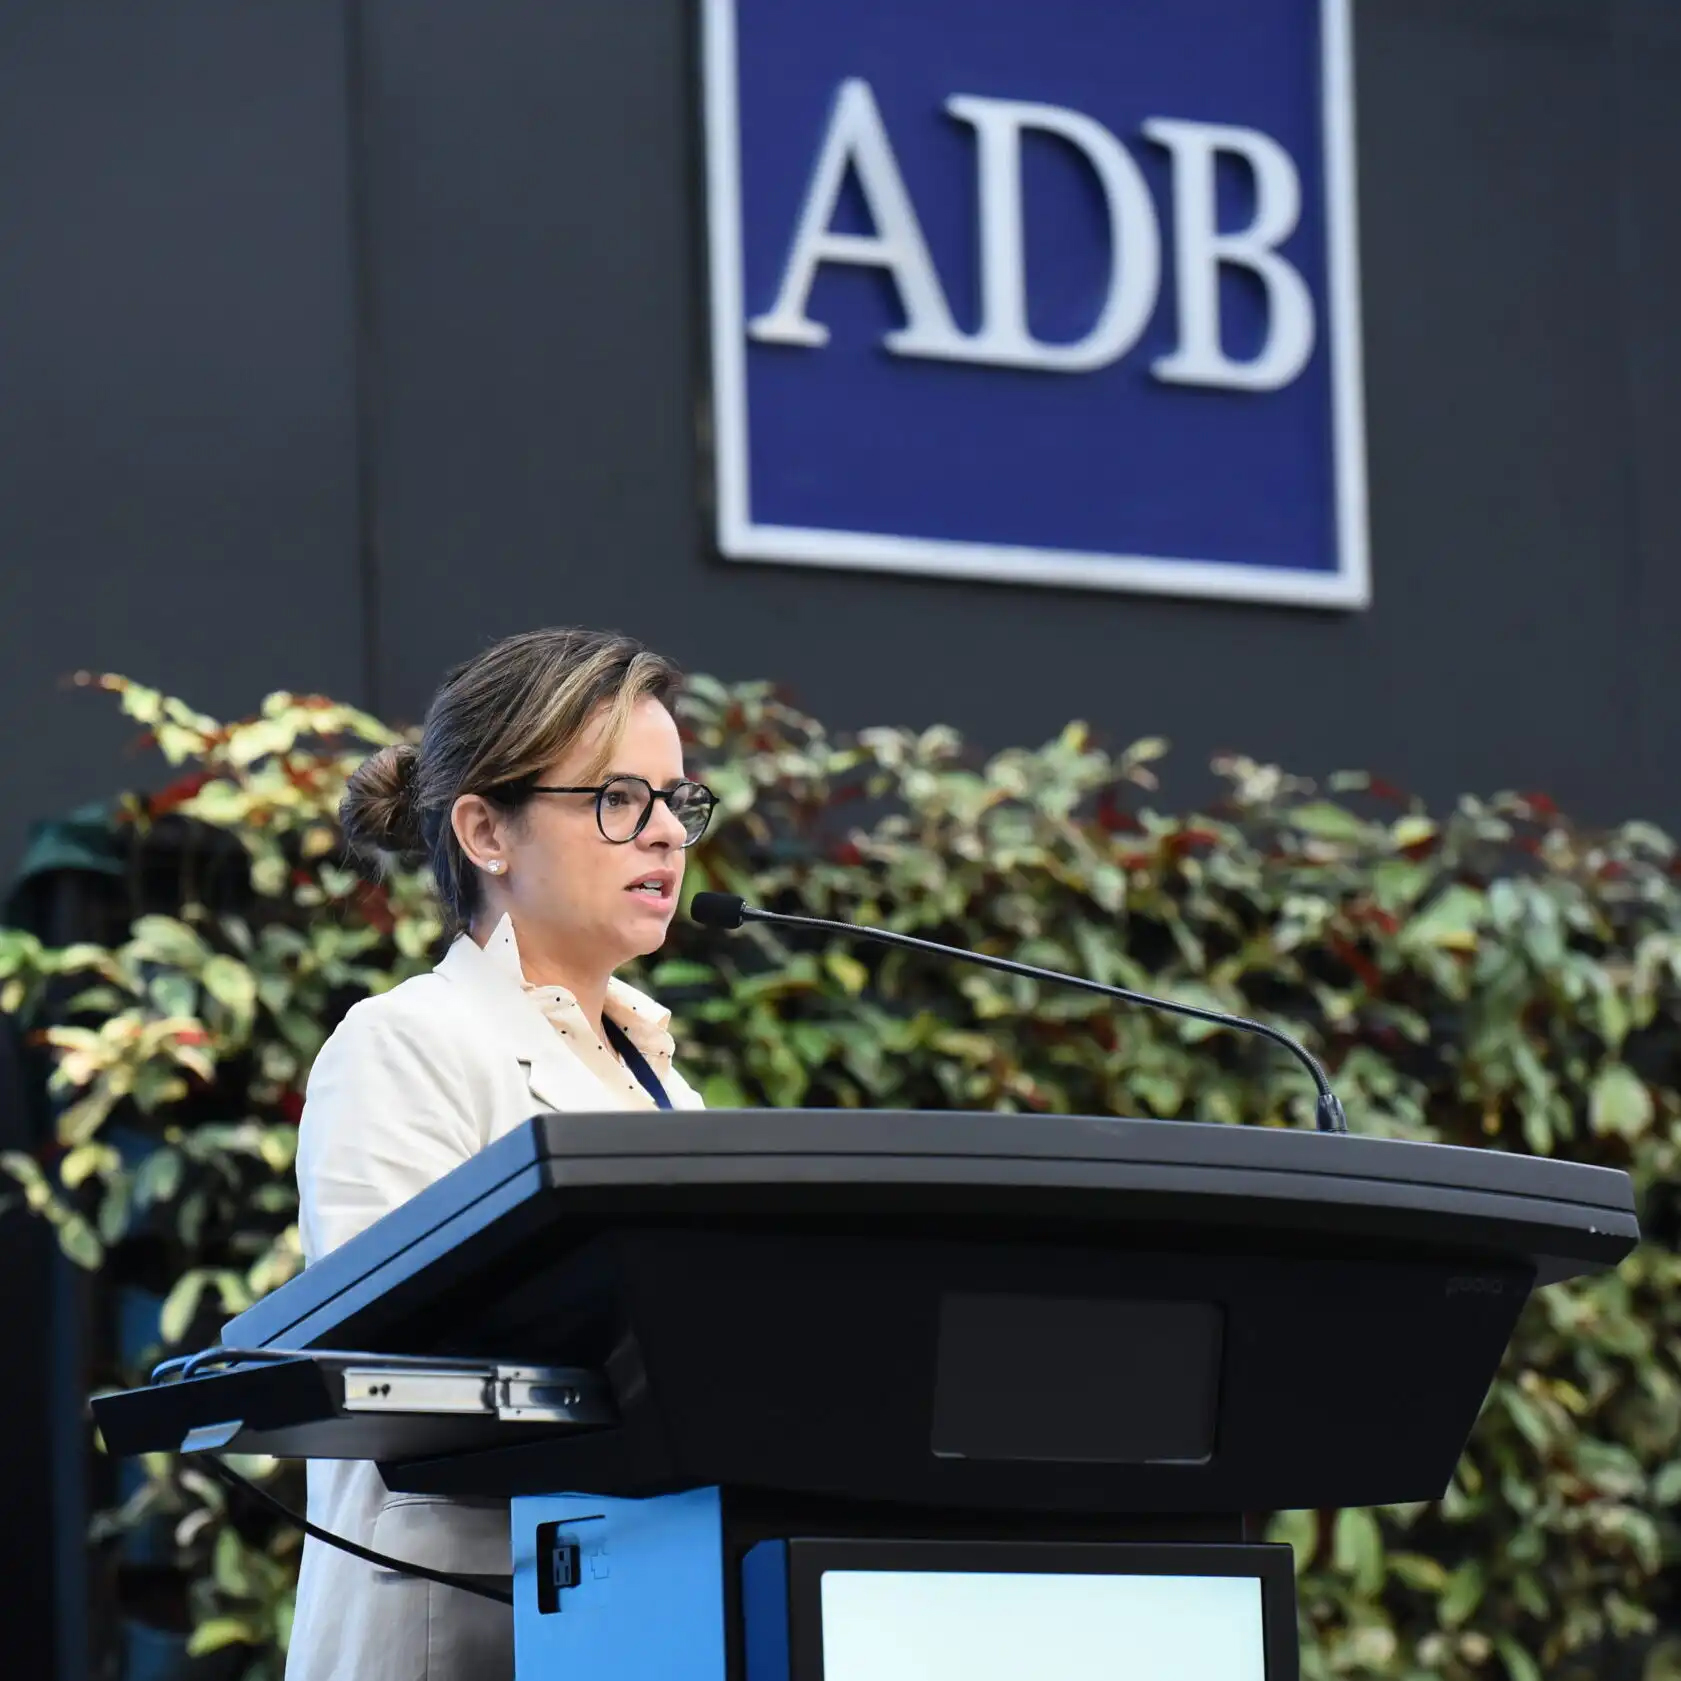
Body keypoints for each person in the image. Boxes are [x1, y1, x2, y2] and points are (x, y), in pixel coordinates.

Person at [285, 627, 713, 1681]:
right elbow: (389, 1372)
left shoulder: (664, 1079)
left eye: (679, 800)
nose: (665, 835)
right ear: (484, 828)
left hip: (637, 1623)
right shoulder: (405, 1042)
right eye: (619, 798)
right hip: (458, 1635)